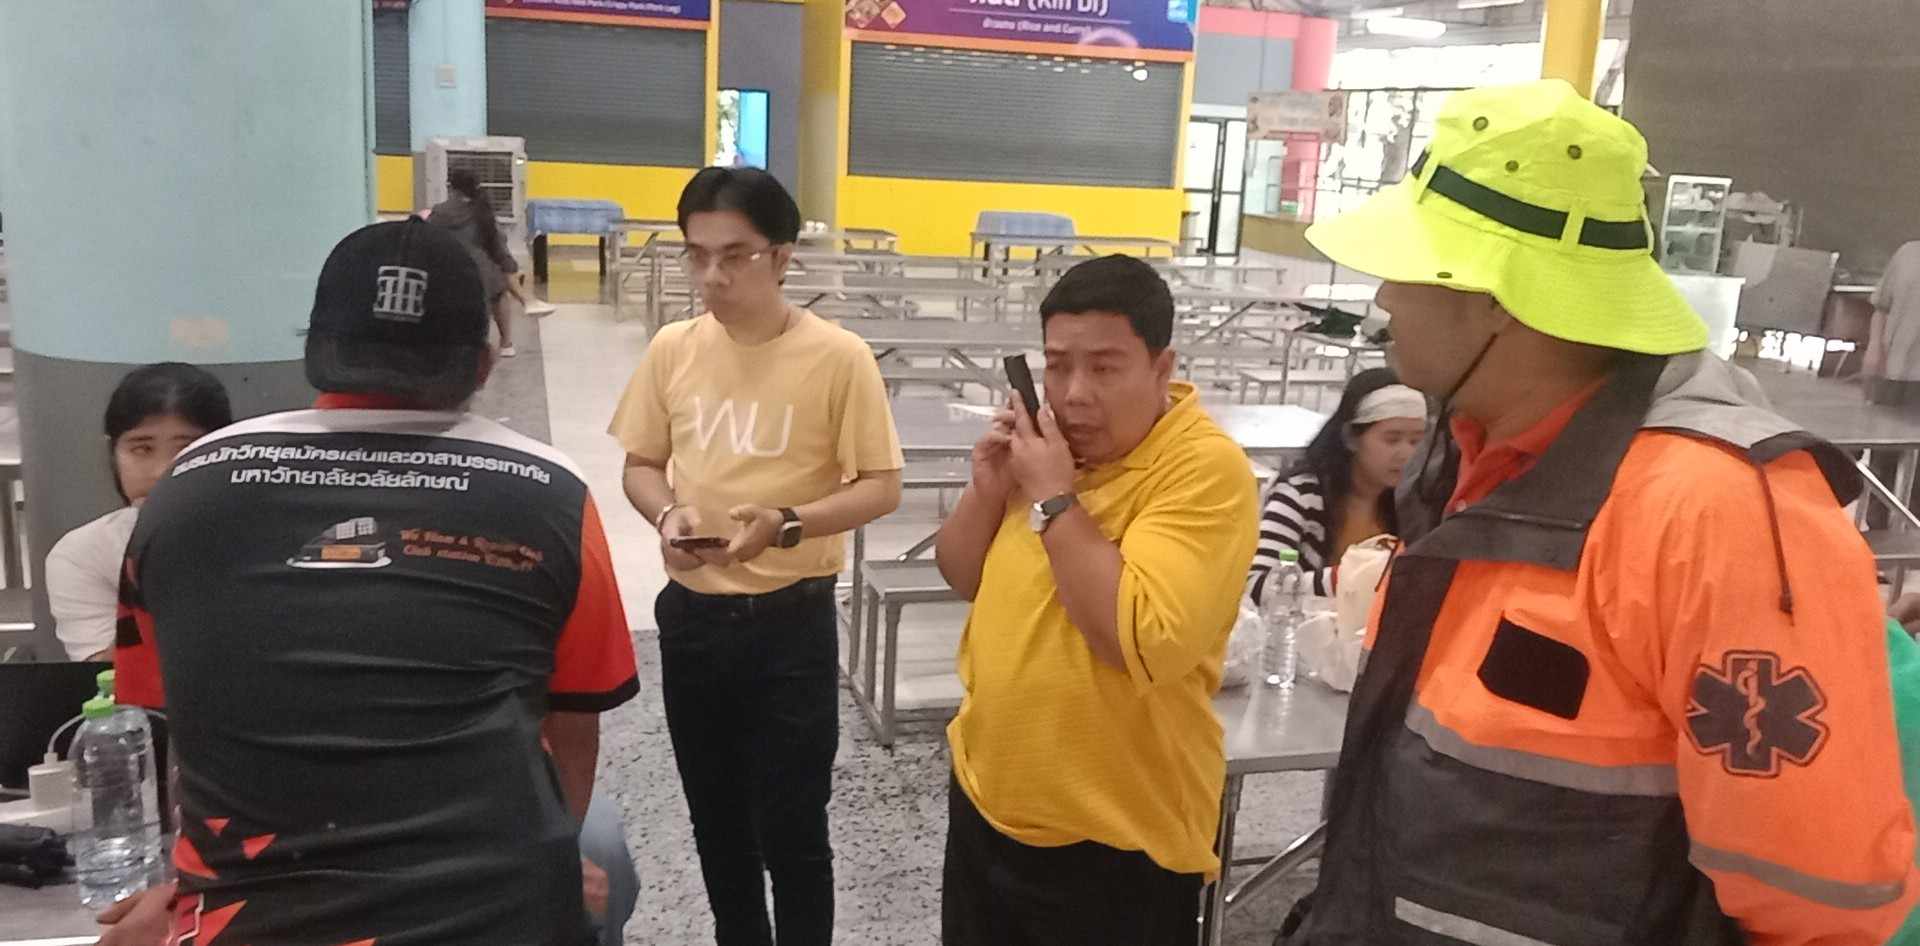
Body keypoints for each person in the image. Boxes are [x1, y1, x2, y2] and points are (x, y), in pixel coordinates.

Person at [1289, 79, 1918, 944]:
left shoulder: (1711, 514)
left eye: (1408, 268)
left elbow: (1816, 899)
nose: (1385, 300)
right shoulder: (1472, 454)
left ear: (1497, 302)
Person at [99, 218, 639, 946]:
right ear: (484, 361)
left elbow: (180, 720)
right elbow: (572, 731)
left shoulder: (187, 487)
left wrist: (188, 885)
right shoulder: (552, 495)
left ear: (317, 350)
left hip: (251, 920)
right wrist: (549, 863)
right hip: (494, 917)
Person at [610, 166, 903, 946]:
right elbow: (641, 464)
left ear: (781, 257)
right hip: (695, 617)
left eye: (734, 255)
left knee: (794, 829)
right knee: (717, 823)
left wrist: (788, 522)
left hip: (790, 624)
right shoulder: (674, 349)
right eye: (697, 254)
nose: (712, 275)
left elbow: (881, 487)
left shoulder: (838, 357)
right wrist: (666, 514)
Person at [934, 255, 1259, 945]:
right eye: (1057, 367)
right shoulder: (1047, 449)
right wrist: (988, 489)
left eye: (1105, 368)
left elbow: (1137, 638)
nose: (1074, 394)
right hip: (988, 803)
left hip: (1116, 844)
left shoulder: (1203, 469)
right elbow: (963, 577)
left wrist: (1055, 497)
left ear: (1162, 368)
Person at [45, 363, 231, 661]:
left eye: (188, 448)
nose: (161, 471)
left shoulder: (269, 537)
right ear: (113, 453)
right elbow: (105, 675)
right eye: (141, 449)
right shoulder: (81, 554)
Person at [1246, 367, 1425, 602]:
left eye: (1416, 441)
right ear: (1351, 438)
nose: (1406, 454)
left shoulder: (1413, 499)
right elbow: (1257, 585)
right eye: (1392, 440)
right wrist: (1348, 577)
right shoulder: (1300, 494)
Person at [428, 168, 544, 357]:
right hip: (478, 275)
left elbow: (428, 239)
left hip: (444, 273)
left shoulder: (437, 212)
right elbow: (498, 248)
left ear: (450, 187)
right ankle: (506, 343)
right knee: (499, 290)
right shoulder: (482, 212)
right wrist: (511, 268)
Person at [1864, 239, 1920, 405]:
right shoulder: (1907, 253)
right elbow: (1881, 308)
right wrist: (1874, 347)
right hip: (1892, 369)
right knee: (1881, 419)